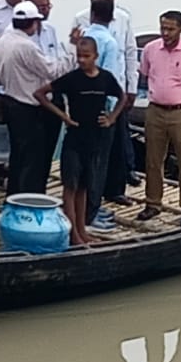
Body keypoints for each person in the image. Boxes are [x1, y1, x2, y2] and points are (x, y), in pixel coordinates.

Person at [34, 37, 126, 246]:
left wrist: (111, 118)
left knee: (84, 186)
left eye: (86, 56)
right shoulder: (72, 79)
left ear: (96, 56)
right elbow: (40, 94)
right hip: (74, 138)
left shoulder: (105, 78)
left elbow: (122, 97)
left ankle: (82, 230)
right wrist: (63, 116)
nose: (82, 61)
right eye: (79, 57)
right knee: (71, 186)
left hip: (94, 139)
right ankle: (72, 233)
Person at [137, 11, 181, 227]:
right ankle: (152, 203)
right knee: (153, 160)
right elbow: (146, 75)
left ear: (180, 29)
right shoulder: (150, 50)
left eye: (170, 29)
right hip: (156, 110)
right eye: (163, 28)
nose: (166, 33)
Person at [71, 0, 140, 191]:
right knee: (95, 147)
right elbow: (74, 56)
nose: (96, 0)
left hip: (117, 89)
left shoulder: (123, 18)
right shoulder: (81, 19)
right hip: (90, 93)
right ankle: (93, 194)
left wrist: (132, 87)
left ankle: (116, 188)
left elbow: (130, 53)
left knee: (118, 141)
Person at [0, 1, 61, 195]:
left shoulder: (3, 39)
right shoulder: (26, 46)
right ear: (33, 23)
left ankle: (14, 197)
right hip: (29, 108)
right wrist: (72, 51)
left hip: (11, 102)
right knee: (34, 160)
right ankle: (29, 199)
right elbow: (53, 71)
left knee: (18, 157)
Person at [75, 0, 126, 233]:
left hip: (80, 106)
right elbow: (111, 81)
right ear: (111, 17)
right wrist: (112, 114)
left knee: (83, 162)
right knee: (98, 163)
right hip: (101, 110)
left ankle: (85, 208)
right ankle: (90, 213)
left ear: (92, 14)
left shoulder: (82, 38)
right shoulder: (109, 42)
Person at [24, 0, 66, 158]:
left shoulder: (51, 30)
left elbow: (55, 59)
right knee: (31, 146)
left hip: (51, 92)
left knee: (50, 140)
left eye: (48, 6)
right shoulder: (22, 35)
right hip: (31, 97)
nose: (46, 10)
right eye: (42, 7)